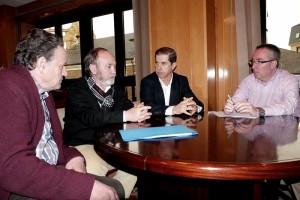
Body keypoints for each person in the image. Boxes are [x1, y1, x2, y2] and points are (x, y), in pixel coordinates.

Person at [0, 28, 124, 200]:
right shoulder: (7, 87)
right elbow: (13, 167)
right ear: (42, 64)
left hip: (42, 170)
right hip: (14, 187)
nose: (65, 72)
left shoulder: (43, 93)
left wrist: (73, 156)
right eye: (62, 66)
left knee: (115, 187)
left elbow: (53, 145)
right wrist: (82, 187)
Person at [63, 47, 152, 199]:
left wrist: (136, 109)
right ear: (93, 69)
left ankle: (117, 194)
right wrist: (127, 114)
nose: (114, 71)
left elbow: (126, 106)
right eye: (109, 66)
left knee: (138, 161)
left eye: (115, 66)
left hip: (111, 143)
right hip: (83, 143)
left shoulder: (115, 89)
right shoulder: (77, 89)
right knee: (92, 167)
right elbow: (90, 117)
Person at [224, 43, 299, 117]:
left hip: (281, 127)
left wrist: (259, 111)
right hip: (253, 127)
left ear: (273, 64)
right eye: (253, 62)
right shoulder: (248, 80)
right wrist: (230, 108)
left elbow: (289, 106)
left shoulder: (288, 80)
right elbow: (236, 101)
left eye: (260, 62)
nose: (253, 67)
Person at [140, 47, 204, 116]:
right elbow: (148, 107)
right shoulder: (147, 81)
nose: (158, 67)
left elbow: (199, 104)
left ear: (173, 66)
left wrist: (194, 107)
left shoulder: (181, 81)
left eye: (163, 63)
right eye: (156, 63)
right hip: (155, 124)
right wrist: (173, 110)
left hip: (177, 124)